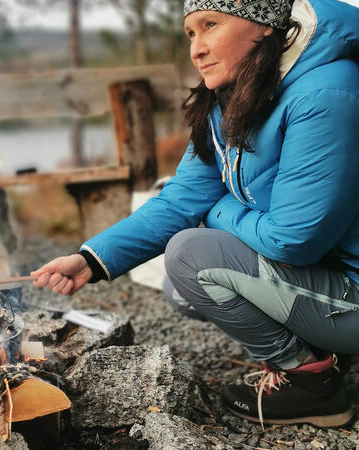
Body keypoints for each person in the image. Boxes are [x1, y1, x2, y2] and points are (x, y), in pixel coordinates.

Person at [31, 0, 359, 428]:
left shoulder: (326, 94)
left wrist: (219, 210)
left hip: (349, 285)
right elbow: (180, 200)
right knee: (181, 287)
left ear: (263, 27)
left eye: (211, 26)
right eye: (190, 33)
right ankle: (327, 352)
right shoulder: (236, 95)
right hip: (327, 277)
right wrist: (91, 260)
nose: (196, 49)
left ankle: (311, 384)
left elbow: (292, 240)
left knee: (192, 255)